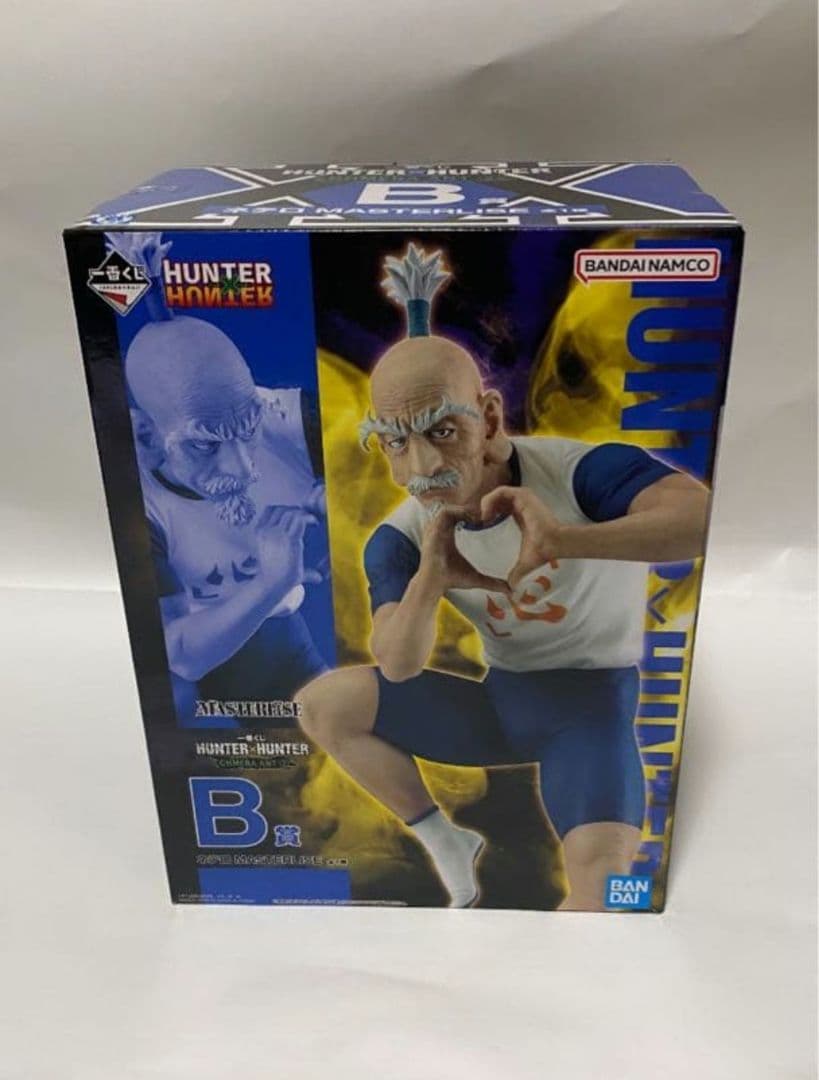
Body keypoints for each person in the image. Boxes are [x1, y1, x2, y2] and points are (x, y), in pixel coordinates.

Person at [296, 244, 708, 909]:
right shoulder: (403, 535)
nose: (421, 467)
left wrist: (567, 540)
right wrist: (432, 573)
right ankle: (445, 840)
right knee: (325, 702)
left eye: (441, 432)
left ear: (488, 419)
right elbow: (396, 664)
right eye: (395, 441)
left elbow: (697, 519)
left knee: (605, 888)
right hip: (500, 706)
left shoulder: (573, 473)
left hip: (589, 710)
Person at [113, 233, 328, 728]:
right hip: (220, 686)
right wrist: (275, 580)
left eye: (247, 429)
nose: (243, 468)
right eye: (205, 445)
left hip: (295, 647)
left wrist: (348, 502)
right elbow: (181, 653)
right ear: (146, 436)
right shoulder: (141, 503)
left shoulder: (287, 420)